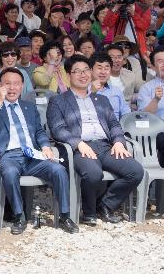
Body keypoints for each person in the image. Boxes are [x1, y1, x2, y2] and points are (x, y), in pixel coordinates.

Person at [46, 56, 144, 225]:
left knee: (135, 171)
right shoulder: (58, 100)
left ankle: (105, 205)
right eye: (77, 71)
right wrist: (78, 143)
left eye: (86, 70)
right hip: (80, 147)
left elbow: (114, 124)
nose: (83, 74)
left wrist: (119, 141)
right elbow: (57, 129)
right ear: (69, 75)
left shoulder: (101, 99)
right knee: (93, 174)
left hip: (106, 146)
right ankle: (89, 212)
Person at [0, 67, 76, 234]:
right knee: (9, 172)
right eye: (7, 84)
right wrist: (0, 101)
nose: (12, 88)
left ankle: (64, 215)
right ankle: (19, 216)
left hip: (32, 155)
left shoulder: (29, 107)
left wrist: (46, 146)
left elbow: (39, 131)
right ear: (0, 86)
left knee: (59, 169)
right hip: (8, 156)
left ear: (22, 86)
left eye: (16, 84)